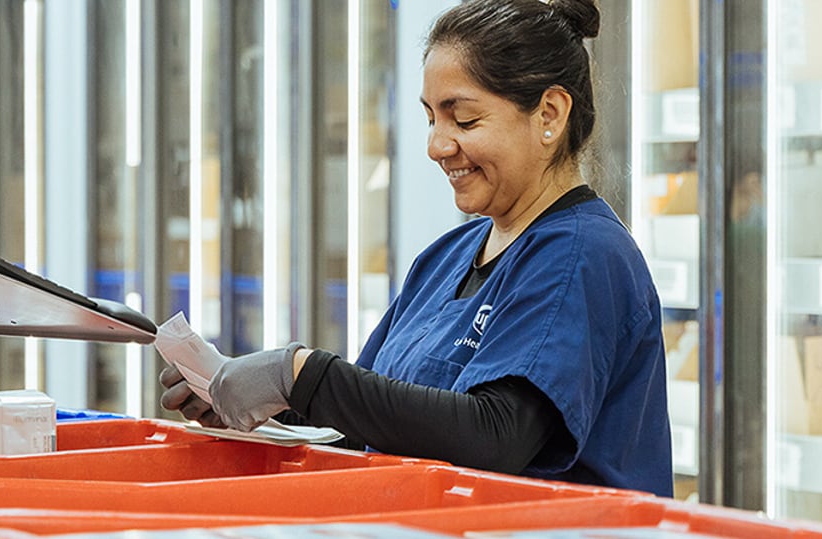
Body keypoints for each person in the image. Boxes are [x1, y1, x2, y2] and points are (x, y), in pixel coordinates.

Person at [160, 0, 673, 498]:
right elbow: (364, 425)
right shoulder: (445, 259)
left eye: (464, 120)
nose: (437, 146)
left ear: (550, 114)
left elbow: (498, 435)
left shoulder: (582, 255)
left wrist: (299, 373)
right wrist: (262, 405)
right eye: (431, 118)